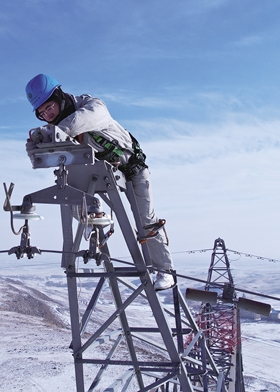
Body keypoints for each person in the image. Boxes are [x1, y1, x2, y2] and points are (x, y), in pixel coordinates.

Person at [25, 74, 175, 291]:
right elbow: (50, 154)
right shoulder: (60, 131)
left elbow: (78, 122)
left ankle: (164, 270)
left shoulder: (92, 106)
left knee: (146, 222)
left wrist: (50, 134)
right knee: (74, 198)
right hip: (100, 174)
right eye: (43, 114)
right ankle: (100, 221)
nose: (48, 115)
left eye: (49, 108)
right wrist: (35, 147)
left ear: (59, 97)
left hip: (131, 169)